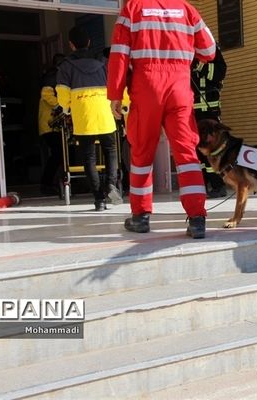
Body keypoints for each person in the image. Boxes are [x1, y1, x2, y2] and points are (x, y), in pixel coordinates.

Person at [107, 0, 216, 238]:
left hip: (146, 86)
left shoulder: (133, 8)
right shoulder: (187, 9)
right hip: (179, 85)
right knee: (186, 154)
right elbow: (209, 51)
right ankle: (197, 218)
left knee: (142, 151)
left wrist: (115, 94)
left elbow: (119, 54)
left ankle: (141, 217)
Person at [56, 26, 122, 211]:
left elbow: (62, 94)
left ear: (71, 44)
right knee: (110, 152)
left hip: (83, 117)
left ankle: (99, 200)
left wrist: (67, 109)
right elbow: (117, 85)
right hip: (105, 114)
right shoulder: (103, 62)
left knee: (89, 157)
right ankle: (110, 184)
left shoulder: (66, 66)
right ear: (89, 42)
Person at [191, 46, 227, 199]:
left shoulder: (212, 50)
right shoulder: (186, 51)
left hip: (209, 111)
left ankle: (218, 185)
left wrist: (200, 66)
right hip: (191, 112)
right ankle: (201, 185)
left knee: (211, 150)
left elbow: (220, 73)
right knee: (197, 151)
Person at [38, 53, 64, 196]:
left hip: (55, 125)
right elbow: (47, 95)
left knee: (63, 154)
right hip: (50, 124)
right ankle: (46, 184)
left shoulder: (53, 76)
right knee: (59, 154)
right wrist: (63, 106)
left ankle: (54, 182)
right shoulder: (52, 77)